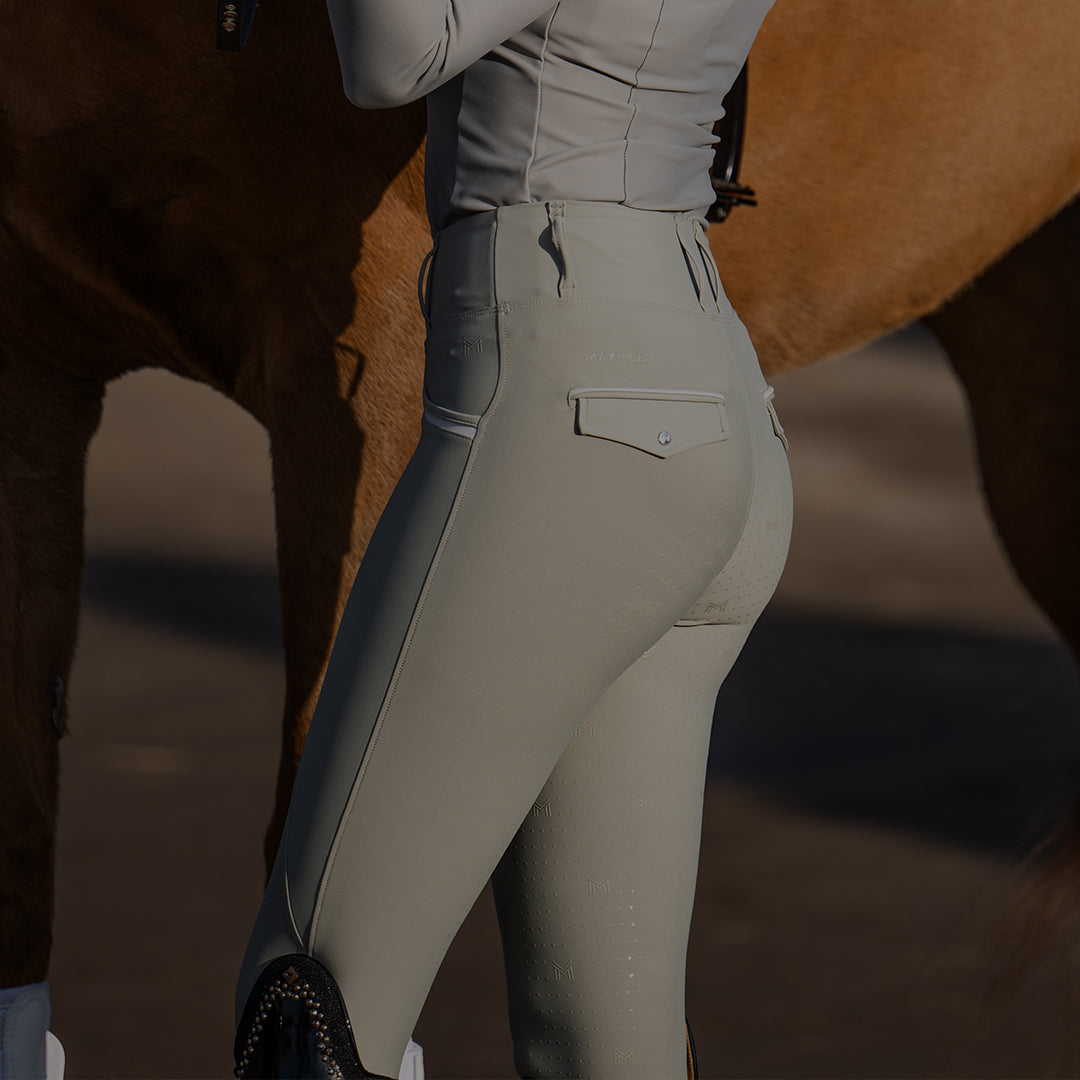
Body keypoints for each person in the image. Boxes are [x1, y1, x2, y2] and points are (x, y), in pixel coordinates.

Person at [233, 1, 790, 1076]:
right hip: (697, 386)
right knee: (607, 1051)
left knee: (310, 1002)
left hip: (570, 409)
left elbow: (391, 55)